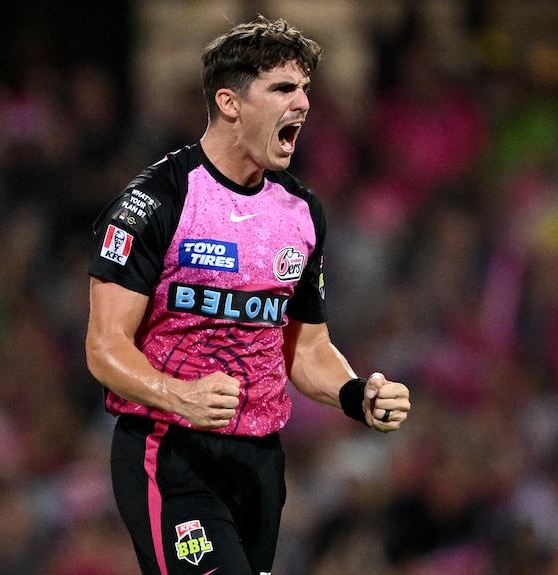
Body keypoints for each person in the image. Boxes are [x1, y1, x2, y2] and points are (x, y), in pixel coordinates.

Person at [85, 15, 410, 575]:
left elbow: (305, 350)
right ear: (230, 102)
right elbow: (105, 348)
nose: (304, 103)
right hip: (170, 450)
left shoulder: (303, 212)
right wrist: (176, 394)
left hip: (260, 464)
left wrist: (357, 394)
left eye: (306, 88)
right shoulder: (157, 201)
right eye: (284, 88)